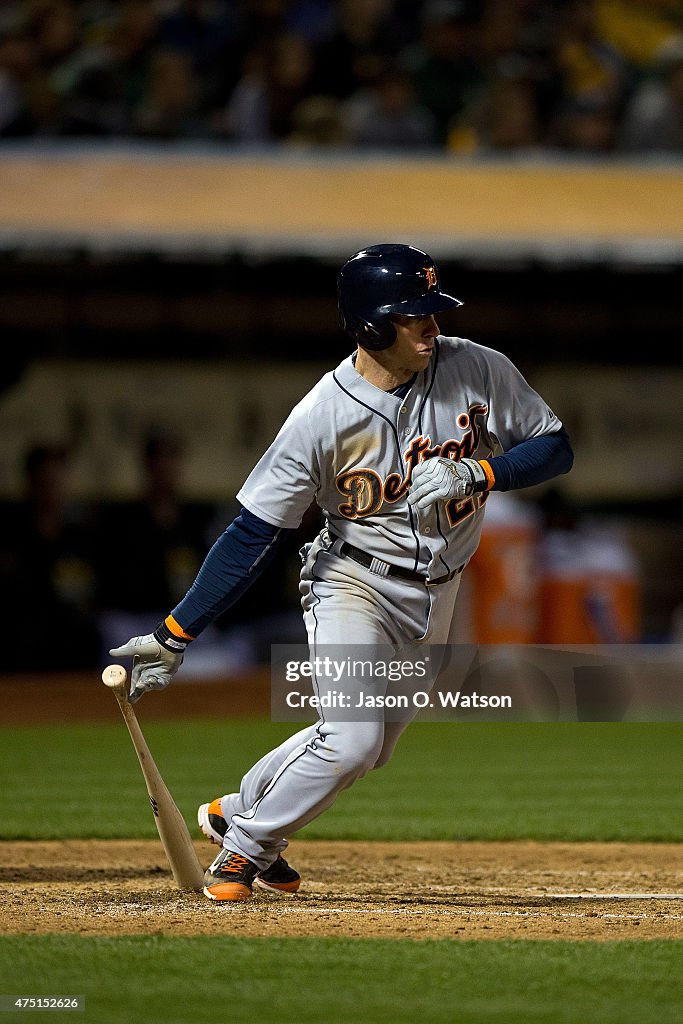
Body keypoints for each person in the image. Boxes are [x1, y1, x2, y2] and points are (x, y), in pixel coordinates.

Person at [110, 243, 574, 902]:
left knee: (372, 745)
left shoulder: (476, 368)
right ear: (369, 325)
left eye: (432, 312)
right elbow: (252, 535)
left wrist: (482, 470)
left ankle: (230, 809)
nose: (431, 327)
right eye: (414, 316)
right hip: (352, 582)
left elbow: (554, 447)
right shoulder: (321, 418)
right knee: (351, 741)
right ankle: (243, 845)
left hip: (441, 588)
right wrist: (173, 634)